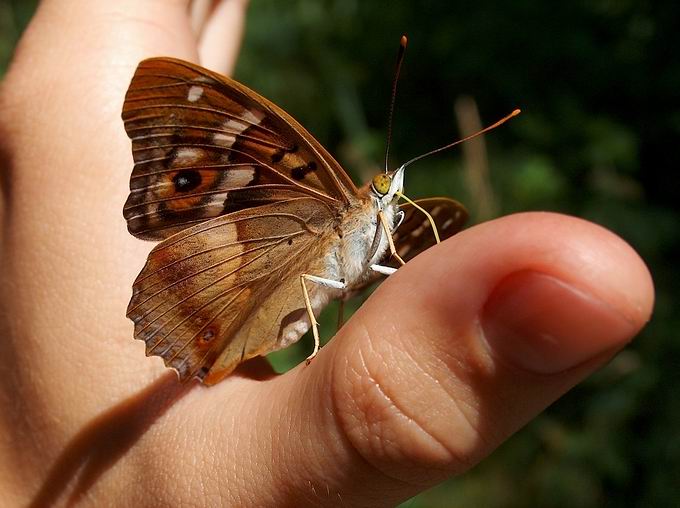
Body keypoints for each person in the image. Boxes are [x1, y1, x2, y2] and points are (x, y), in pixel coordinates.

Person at [0, 1, 654, 506]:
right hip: (221, 282)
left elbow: (374, 269)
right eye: (387, 196)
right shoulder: (326, 199)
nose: (393, 203)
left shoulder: (393, 226)